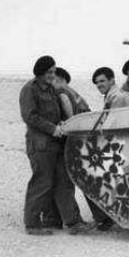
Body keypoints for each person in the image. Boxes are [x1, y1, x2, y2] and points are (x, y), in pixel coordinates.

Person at [19, 55, 91, 235]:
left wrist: (62, 125)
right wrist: (52, 129)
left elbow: (60, 110)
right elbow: (30, 116)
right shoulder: (29, 89)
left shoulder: (52, 89)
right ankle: (32, 224)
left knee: (64, 182)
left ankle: (72, 222)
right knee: (42, 183)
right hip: (40, 145)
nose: (52, 75)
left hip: (57, 144)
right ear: (40, 72)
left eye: (53, 71)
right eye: (49, 71)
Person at [51, 67, 115, 232]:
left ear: (60, 80)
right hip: (87, 140)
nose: (51, 82)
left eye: (53, 79)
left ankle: (73, 221)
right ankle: (103, 217)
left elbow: (71, 119)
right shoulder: (75, 93)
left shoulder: (62, 93)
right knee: (88, 179)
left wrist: (65, 127)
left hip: (75, 141)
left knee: (66, 181)